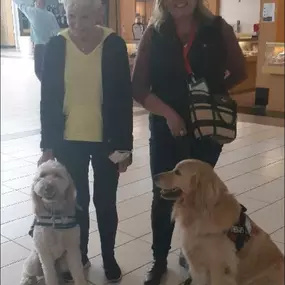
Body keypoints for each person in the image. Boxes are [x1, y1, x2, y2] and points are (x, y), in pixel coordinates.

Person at [132, 0, 246, 284]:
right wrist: (170, 113)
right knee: (164, 195)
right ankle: (159, 260)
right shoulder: (154, 33)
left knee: (199, 195)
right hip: (165, 127)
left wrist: (208, 97)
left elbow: (240, 71)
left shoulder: (218, 29)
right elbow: (138, 86)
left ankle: (193, 256)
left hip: (206, 131)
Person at [35, 0, 133, 283]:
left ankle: (109, 256)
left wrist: (125, 146)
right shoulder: (57, 45)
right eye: (72, 17)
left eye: (85, 17)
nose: (78, 25)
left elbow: (123, 98)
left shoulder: (113, 44)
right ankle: (81, 255)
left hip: (108, 141)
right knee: (77, 202)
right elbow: (48, 100)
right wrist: (48, 145)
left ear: (99, 15)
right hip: (68, 141)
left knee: (105, 202)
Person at [13, 0, 60, 81]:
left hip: (39, 47)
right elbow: (56, 31)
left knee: (38, 70)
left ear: (38, 3)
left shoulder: (33, 12)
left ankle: (46, 85)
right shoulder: (50, 15)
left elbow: (21, 6)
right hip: (50, 46)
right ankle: (51, 83)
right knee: (49, 68)